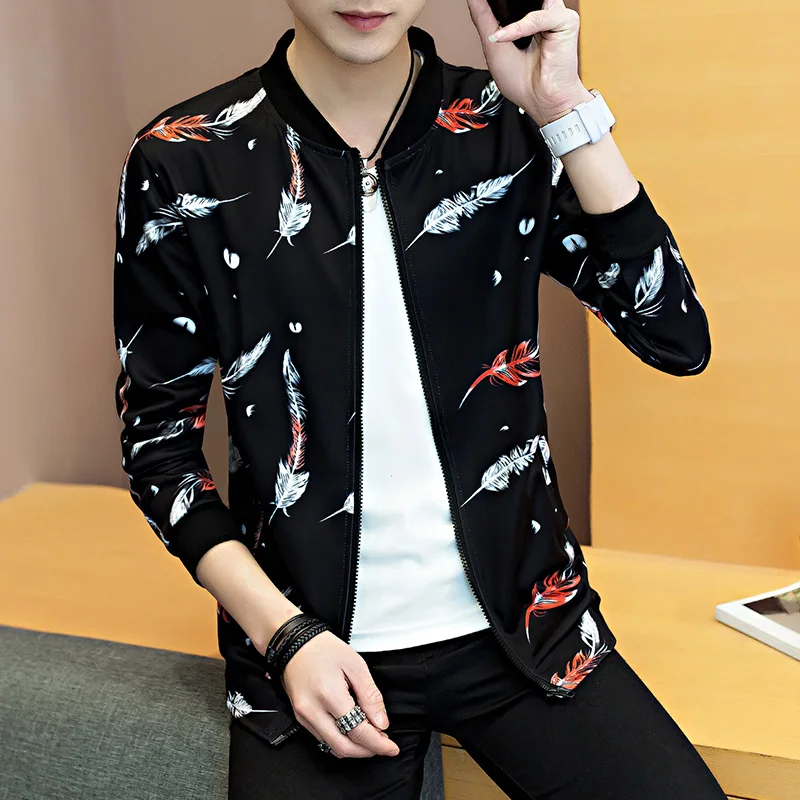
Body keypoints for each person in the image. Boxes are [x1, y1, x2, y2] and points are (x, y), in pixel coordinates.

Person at [112, 0, 725, 797]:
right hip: (316, 653)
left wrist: (566, 114)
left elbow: (675, 335)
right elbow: (157, 449)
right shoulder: (184, 159)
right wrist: (284, 636)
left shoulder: (506, 125)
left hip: (527, 630)